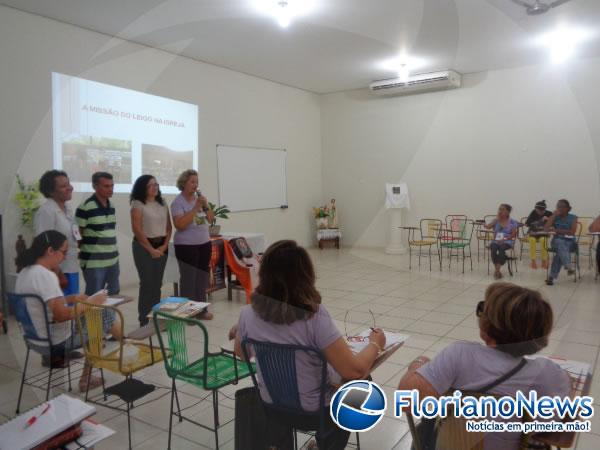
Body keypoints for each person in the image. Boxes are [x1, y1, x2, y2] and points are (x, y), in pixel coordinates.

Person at [232, 240, 387, 450]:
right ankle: (327, 444)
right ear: (305, 276)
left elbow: (241, 354)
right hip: (317, 413)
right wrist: (376, 344)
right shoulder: (315, 317)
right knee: (363, 381)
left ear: (264, 274)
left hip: (271, 408)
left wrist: (241, 328)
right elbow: (355, 370)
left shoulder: (247, 315)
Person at [398, 282, 570, 450]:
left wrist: (419, 364)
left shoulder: (459, 356)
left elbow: (407, 399)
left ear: (487, 326)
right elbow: (554, 421)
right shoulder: (545, 374)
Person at [15, 231, 122, 391]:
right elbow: (62, 315)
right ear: (50, 251)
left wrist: (71, 298)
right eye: (64, 252)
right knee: (103, 314)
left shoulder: (25, 272)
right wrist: (92, 302)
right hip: (56, 341)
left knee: (98, 313)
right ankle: (88, 377)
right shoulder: (46, 276)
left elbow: (39, 303)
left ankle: (126, 343)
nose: (64, 258)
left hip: (33, 339)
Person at [170, 169, 214, 319]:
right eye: (192, 182)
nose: (195, 185)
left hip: (204, 244)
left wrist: (206, 205)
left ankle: (201, 310)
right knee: (189, 280)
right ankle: (187, 313)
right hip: (186, 246)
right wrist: (195, 208)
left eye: (197, 182)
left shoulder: (200, 199)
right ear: (183, 183)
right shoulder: (177, 202)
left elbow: (210, 219)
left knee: (201, 278)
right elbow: (180, 225)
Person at [130, 175, 172, 326]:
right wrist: (150, 249)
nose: (155, 187)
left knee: (157, 284)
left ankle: (156, 315)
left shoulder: (163, 202)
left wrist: (164, 246)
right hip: (143, 247)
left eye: (156, 184)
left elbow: (169, 228)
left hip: (161, 246)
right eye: (150, 185)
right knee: (147, 283)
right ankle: (144, 319)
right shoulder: (138, 203)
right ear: (143, 188)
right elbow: (136, 229)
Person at [34, 170, 80, 295]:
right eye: (63, 186)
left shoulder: (68, 209)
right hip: (59, 271)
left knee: (73, 307)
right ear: (50, 192)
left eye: (68, 184)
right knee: (63, 309)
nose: (70, 188)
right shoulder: (46, 211)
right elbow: (43, 245)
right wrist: (58, 273)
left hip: (71, 266)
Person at [75, 172, 120, 296]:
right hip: (94, 262)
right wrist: (84, 249)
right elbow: (77, 233)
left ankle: (108, 317)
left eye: (112, 186)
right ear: (94, 186)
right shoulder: (85, 207)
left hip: (113, 260)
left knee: (113, 295)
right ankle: (86, 316)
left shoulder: (112, 206)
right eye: (106, 186)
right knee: (94, 299)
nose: (110, 189)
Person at [545, 199, 578, 285]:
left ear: (567, 208)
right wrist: (553, 216)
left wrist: (556, 230)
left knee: (560, 253)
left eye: (562, 206)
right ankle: (568, 266)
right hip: (556, 242)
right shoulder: (555, 217)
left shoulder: (573, 217)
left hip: (570, 242)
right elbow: (546, 229)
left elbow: (572, 232)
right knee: (560, 242)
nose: (560, 208)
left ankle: (551, 277)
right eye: (558, 206)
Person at [485, 204, 519, 279]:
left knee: (501, 249)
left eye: (503, 209)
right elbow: (488, 227)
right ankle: (498, 269)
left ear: (508, 212)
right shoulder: (496, 220)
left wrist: (505, 239)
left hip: (507, 241)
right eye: (499, 209)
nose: (500, 211)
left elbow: (513, 235)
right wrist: (494, 220)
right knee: (493, 248)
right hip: (496, 240)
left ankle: (497, 271)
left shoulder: (512, 222)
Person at [525, 200, 552, 270]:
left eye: (542, 211)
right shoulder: (533, 212)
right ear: (535, 209)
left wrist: (549, 220)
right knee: (532, 240)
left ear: (545, 210)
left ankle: (544, 261)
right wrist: (540, 220)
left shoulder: (549, 213)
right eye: (538, 210)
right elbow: (527, 223)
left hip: (543, 233)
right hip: (533, 233)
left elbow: (554, 224)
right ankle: (533, 261)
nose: (540, 212)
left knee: (544, 240)